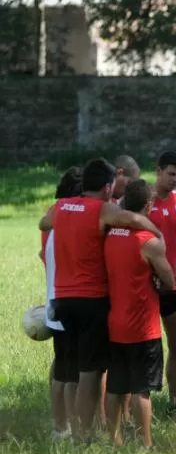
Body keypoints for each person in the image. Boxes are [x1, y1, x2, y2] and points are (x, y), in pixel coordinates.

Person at [39, 158, 163, 442]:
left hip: (62, 300)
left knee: (67, 368)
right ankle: (85, 434)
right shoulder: (102, 209)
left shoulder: (60, 207)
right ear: (108, 187)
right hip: (91, 299)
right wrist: (155, 232)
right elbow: (132, 219)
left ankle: (68, 427)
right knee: (90, 372)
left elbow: (43, 222)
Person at [104, 180, 175, 448]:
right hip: (143, 326)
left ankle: (114, 440)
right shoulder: (149, 242)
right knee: (141, 389)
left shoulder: (110, 235)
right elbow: (168, 279)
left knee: (115, 386)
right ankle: (145, 443)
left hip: (115, 323)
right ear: (148, 205)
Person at [148, 151, 176, 415]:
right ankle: (139, 404)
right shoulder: (144, 200)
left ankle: (175, 403)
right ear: (158, 171)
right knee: (144, 346)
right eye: (171, 174)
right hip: (148, 286)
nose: (175, 179)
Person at [41, 167, 83, 439]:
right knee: (73, 372)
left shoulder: (54, 221)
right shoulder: (71, 224)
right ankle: (72, 427)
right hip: (70, 301)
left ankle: (59, 425)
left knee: (61, 367)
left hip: (54, 301)